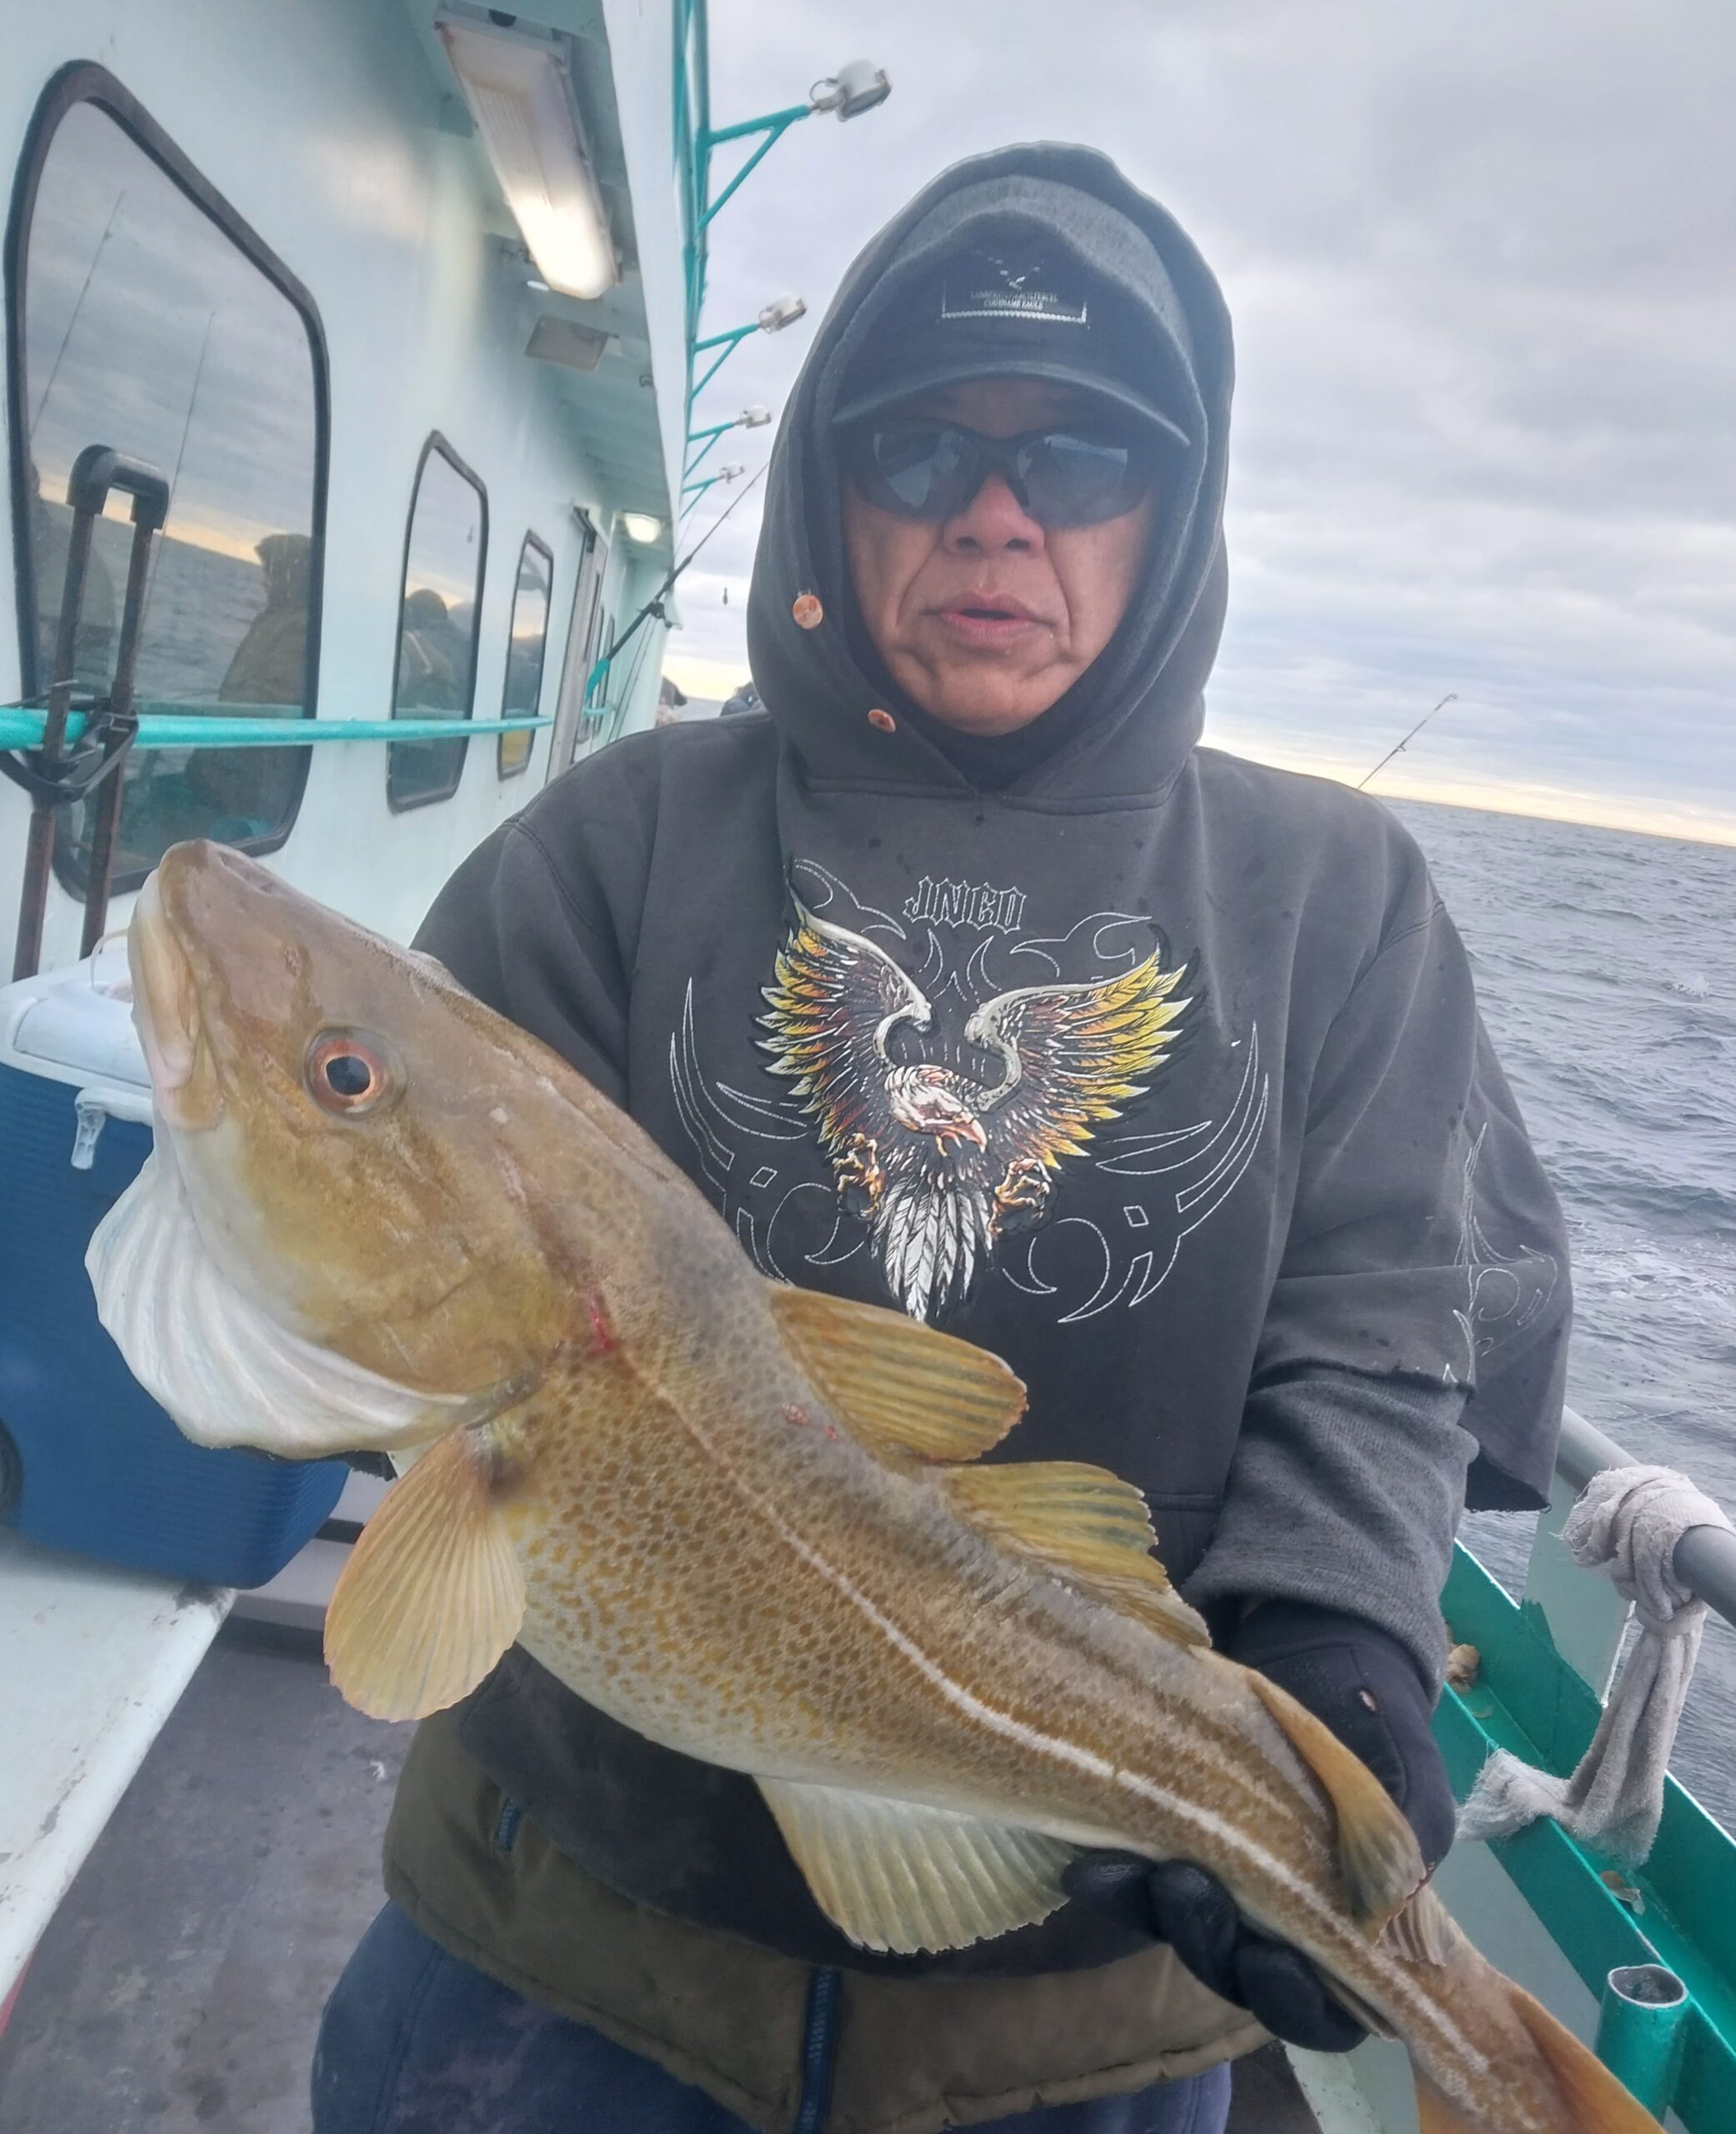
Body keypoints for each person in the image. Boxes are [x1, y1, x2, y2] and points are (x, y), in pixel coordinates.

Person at [312, 144, 1569, 2134]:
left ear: (1176, 506)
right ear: (829, 481)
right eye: (918, 451)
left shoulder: (1337, 894)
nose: (995, 517)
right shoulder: (618, 842)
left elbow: (1383, 1329)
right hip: (573, 1957)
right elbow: (417, 1276)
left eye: (1080, 457)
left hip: (1085, 2025)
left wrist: (1336, 1651)